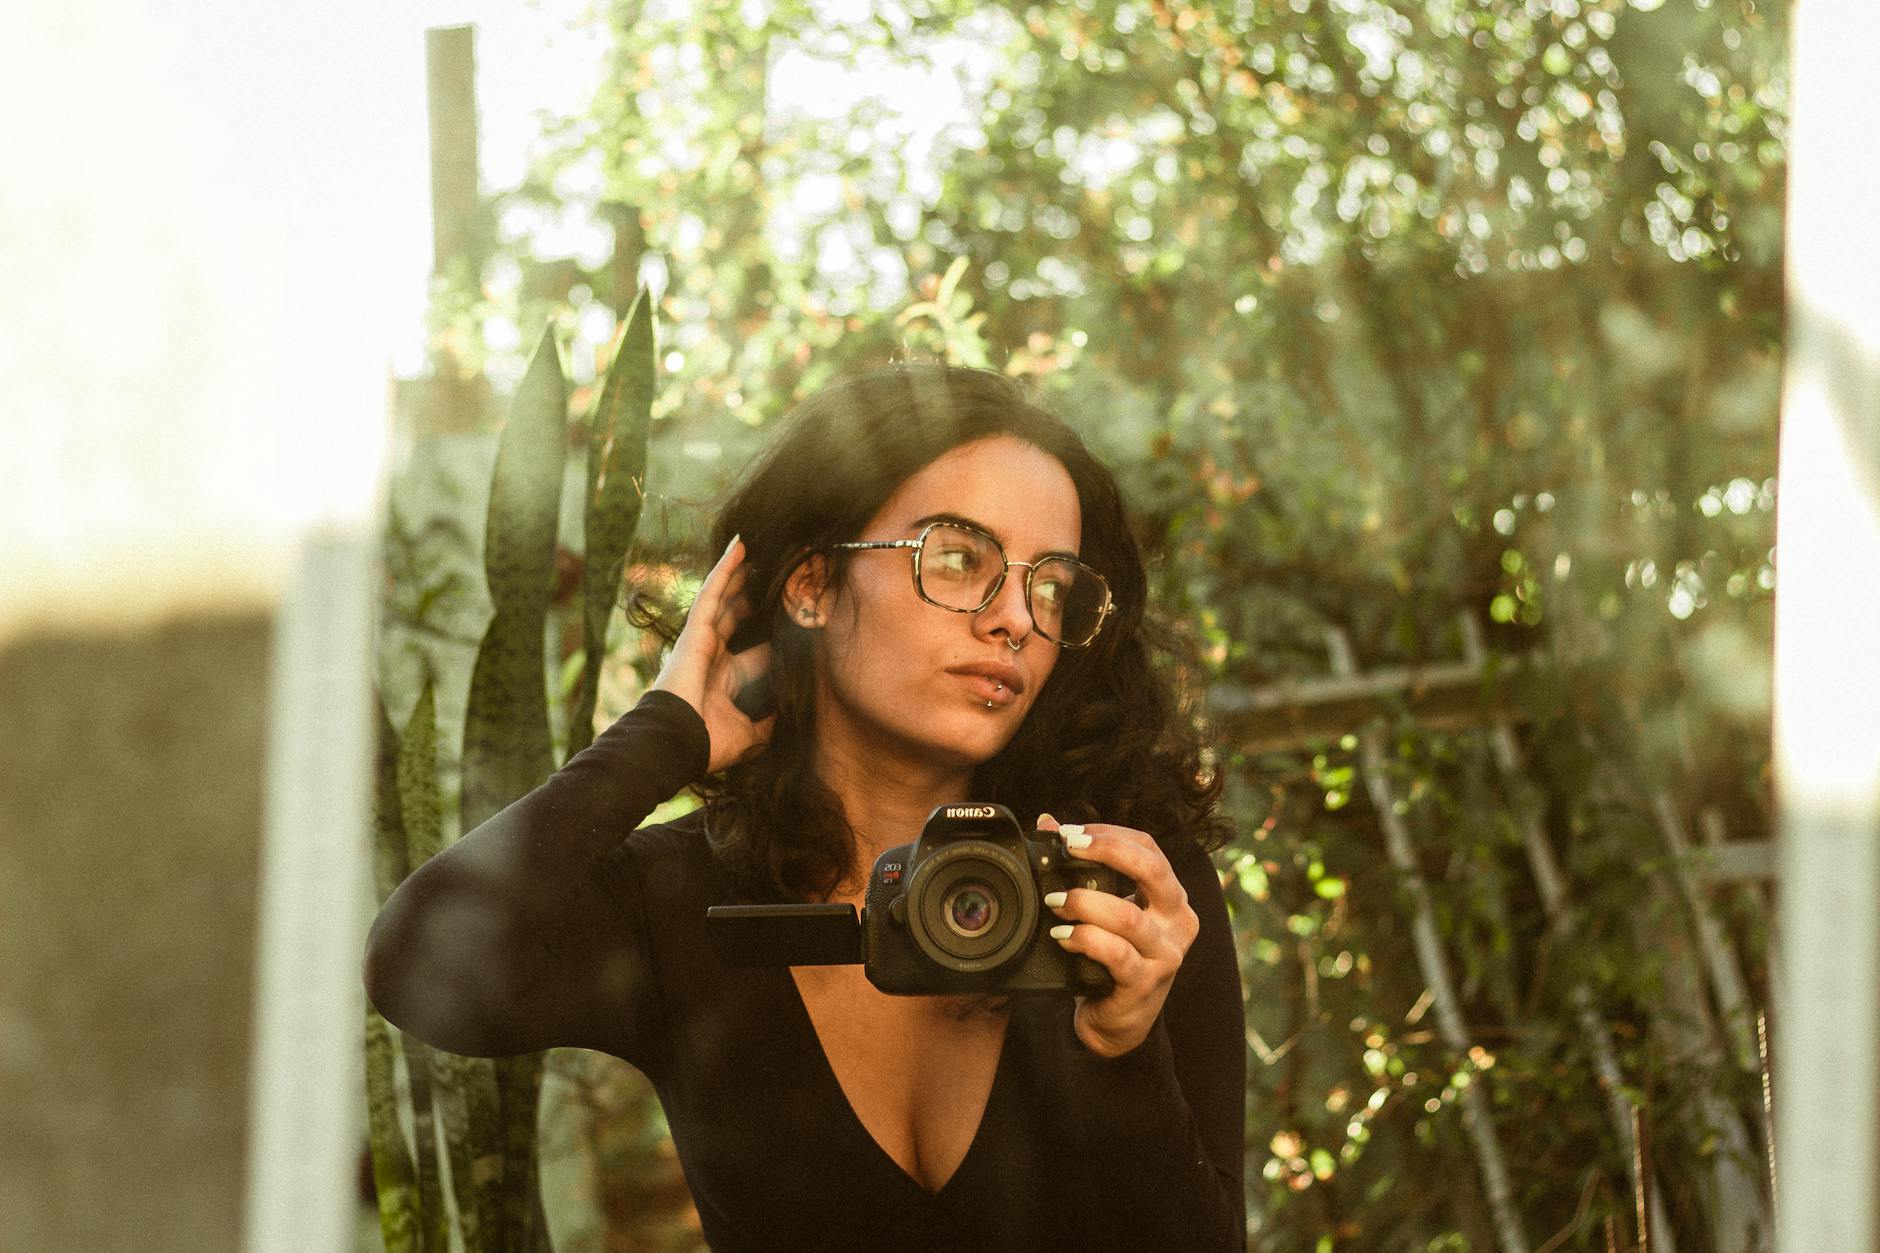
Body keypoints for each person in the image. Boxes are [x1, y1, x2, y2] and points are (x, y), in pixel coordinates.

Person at [364, 363, 1247, 1251]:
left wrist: (1125, 1050)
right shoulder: (688, 901)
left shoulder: (1116, 894)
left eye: (1050, 584)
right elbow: (421, 971)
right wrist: (662, 734)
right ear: (812, 584)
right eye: (957, 557)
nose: (1015, 616)